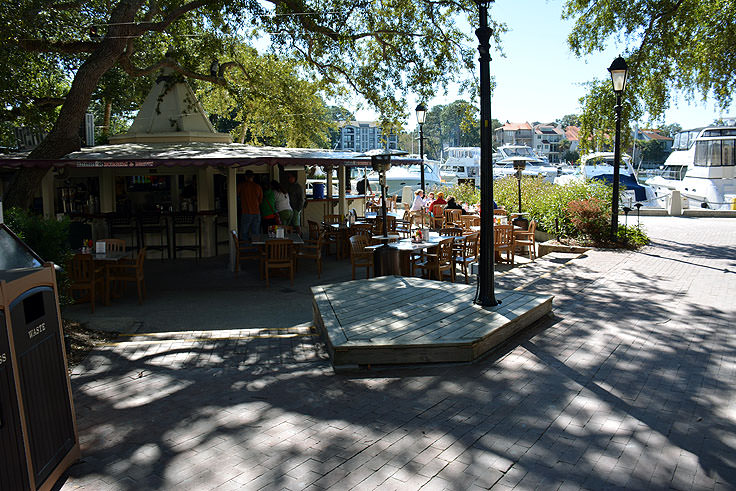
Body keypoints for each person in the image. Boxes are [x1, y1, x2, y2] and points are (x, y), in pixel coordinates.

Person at [236, 170, 262, 241]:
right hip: (256, 212)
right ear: (253, 176)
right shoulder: (257, 187)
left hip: (246, 211)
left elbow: (236, 196)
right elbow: (260, 200)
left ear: (245, 177)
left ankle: (246, 249)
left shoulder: (241, 186)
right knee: (256, 232)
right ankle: (256, 249)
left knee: (244, 232)